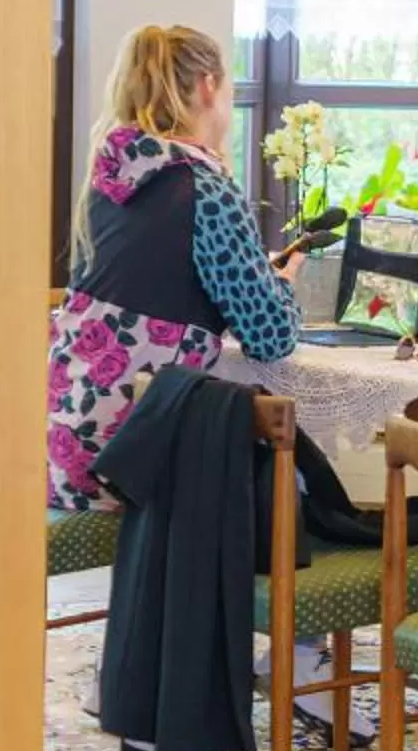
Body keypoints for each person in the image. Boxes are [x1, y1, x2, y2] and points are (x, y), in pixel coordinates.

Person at [47, 26, 299, 511]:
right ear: (208, 86)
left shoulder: (112, 175)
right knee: (278, 499)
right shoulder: (204, 186)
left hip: (64, 442)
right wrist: (281, 283)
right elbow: (271, 336)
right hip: (130, 455)